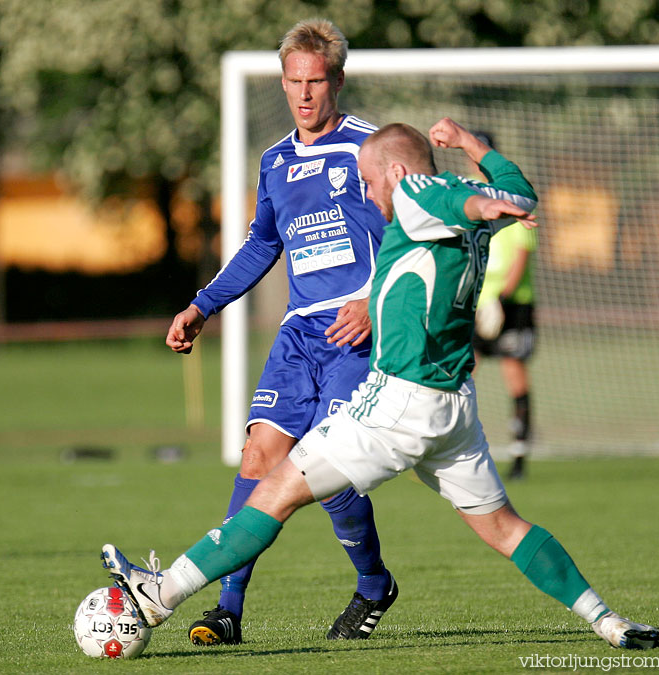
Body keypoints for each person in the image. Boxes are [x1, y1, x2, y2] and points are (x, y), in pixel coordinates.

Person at [109, 119, 659, 651]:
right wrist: (476, 152)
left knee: (275, 491)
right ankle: (608, 621)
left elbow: (470, 200)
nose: (367, 194)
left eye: (369, 182)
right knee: (503, 527)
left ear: (399, 175)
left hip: (399, 403)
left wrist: (483, 201)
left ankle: (160, 595)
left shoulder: (422, 197)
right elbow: (517, 190)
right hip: (456, 411)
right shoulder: (458, 199)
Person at [164, 19, 396, 646]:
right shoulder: (274, 160)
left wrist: (374, 301)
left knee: (325, 473)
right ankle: (228, 610)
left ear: (337, 81)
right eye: (293, 82)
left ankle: (373, 582)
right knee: (259, 456)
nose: (303, 95)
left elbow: (411, 236)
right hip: (298, 335)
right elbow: (261, 244)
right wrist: (203, 305)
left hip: (356, 333)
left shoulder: (369, 151)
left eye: (315, 82)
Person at [468, 131, 537, 480]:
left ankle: (520, 455)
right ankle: (447, 448)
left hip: (511, 306)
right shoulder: (464, 194)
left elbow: (521, 255)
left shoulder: (510, 196)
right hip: (474, 305)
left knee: (514, 373)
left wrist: (501, 298)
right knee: (461, 373)